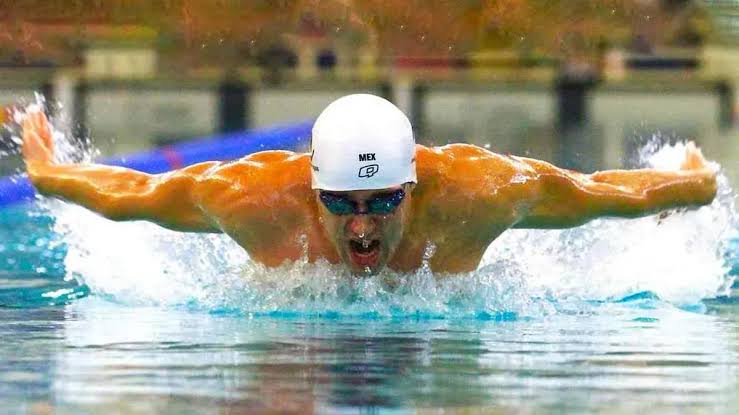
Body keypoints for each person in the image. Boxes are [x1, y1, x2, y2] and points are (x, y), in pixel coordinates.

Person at [22, 94, 717, 276]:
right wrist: (51, 173)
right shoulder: (252, 197)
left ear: (415, 187)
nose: (363, 226)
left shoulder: (480, 192)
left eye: (383, 200)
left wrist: (687, 186)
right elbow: (129, 195)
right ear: (311, 190)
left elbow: (604, 193)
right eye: (343, 205)